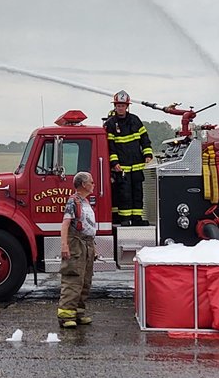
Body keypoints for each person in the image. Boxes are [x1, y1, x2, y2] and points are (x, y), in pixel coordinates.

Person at [104, 90, 153, 226]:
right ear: (115, 106)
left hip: (137, 165)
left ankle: (137, 219)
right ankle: (125, 220)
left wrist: (147, 155)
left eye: (122, 105)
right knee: (124, 194)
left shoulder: (135, 120)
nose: (120, 108)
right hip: (122, 167)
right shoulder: (110, 124)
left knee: (137, 193)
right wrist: (114, 163)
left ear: (127, 106)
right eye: (118, 105)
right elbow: (110, 146)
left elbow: (145, 139)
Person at [57, 170, 97, 329]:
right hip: (76, 243)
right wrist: (64, 245)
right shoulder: (73, 202)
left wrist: (93, 246)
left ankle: (78, 313)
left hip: (87, 243)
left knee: (85, 280)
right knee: (73, 278)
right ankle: (66, 315)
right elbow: (65, 223)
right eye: (91, 182)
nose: (94, 185)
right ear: (83, 184)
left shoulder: (85, 202)